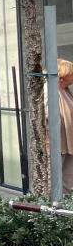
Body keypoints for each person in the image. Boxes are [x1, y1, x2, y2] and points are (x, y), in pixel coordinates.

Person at [46, 58, 73, 193]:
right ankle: (53, 207)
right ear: (64, 74)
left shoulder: (66, 91)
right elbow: (45, 116)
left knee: (68, 179)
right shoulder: (49, 90)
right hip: (56, 142)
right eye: (71, 73)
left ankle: (66, 208)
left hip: (69, 141)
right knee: (55, 178)